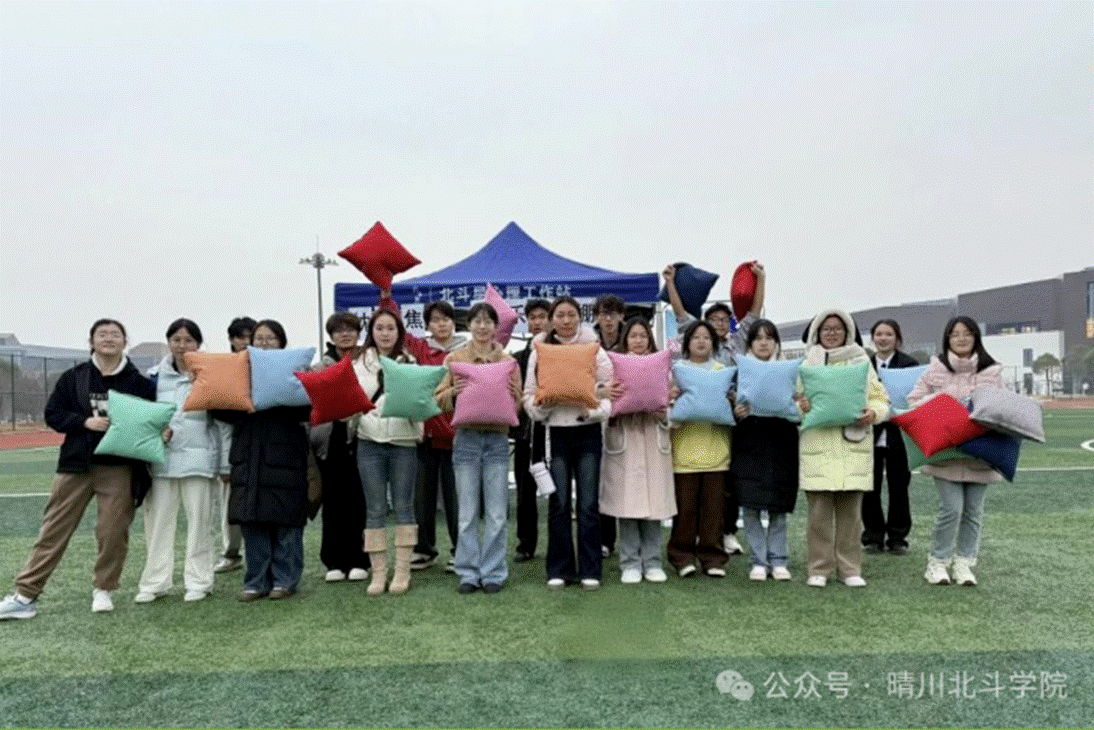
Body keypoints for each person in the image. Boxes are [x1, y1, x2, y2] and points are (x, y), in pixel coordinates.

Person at [1, 319, 155, 619]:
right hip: (75, 465)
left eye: (115, 334)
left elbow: (150, 423)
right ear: (91, 341)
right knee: (53, 529)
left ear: (125, 342)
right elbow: (53, 414)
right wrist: (84, 422)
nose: (109, 339)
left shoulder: (140, 384)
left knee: (113, 532)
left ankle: (104, 589)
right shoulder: (74, 378)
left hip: (118, 467)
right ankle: (25, 596)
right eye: (102, 334)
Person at [662, 262, 767, 558]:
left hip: (730, 415)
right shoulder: (696, 343)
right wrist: (670, 283)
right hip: (693, 422)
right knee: (691, 488)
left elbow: (754, 315)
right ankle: (689, 541)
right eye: (714, 320)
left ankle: (726, 532)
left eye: (724, 320)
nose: (719, 324)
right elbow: (680, 314)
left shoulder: (736, 343)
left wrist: (761, 280)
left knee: (726, 480)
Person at [523, 295, 614, 590]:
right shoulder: (539, 351)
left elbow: (610, 394)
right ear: (552, 320)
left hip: (588, 434)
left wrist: (594, 412)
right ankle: (560, 568)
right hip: (555, 435)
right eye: (559, 315)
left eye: (571, 315)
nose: (565, 320)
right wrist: (543, 409)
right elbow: (528, 396)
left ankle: (590, 568)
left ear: (579, 317)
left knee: (588, 504)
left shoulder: (594, 349)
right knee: (559, 503)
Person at [218, 320, 313, 601]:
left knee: (286, 521)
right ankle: (255, 581)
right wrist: (241, 404)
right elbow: (219, 410)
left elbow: (309, 409)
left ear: (282, 342)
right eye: (258, 338)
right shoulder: (239, 371)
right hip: (248, 454)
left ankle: (285, 580)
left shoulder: (295, 372)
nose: (264, 343)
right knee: (252, 521)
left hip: (286, 453)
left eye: (270, 338)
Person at [906, 316, 1005, 587]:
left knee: (973, 512)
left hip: (980, 453)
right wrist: (940, 401)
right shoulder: (935, 370)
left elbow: (1005, 407)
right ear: (947, 339)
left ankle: (964, 563)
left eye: (967, 333)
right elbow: (913, 401)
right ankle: (937, 563)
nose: (961, 339)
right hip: (945, 452)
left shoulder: (992, 372)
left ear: (976, 337)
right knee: (951, 509)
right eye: (955, 334)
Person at [134, 318, 227, 604]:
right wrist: (156, 433)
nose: (182, 345)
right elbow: (142, 418)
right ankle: (155, 582)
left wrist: (223, 464)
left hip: (200, 462)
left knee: (200, 524)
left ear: (198, 344)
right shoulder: (153, 378)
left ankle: (199, 581)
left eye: (188, 340)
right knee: (158, 525)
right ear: (168, 343)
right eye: (176, 340)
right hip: (161, 462)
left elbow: (222, 424)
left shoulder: (211, 375)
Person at [797, 310, 889, 588]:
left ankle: (850, 569)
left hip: (852, 445)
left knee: (851, 516)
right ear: (817, 332)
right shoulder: (807, 364)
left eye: (838, 328)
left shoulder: (861, 361)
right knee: (819, 516)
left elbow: (880, 398)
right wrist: (801, 406)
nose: (832, 333)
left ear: (848, 331)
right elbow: (793, 400)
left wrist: (873, 413)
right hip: (818, 445)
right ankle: (819, 568)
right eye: (826, 328)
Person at [435, 303, 523, 594]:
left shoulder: (508, 361)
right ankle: (468, 572)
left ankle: (494, 572)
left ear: (496, 326)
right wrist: (454, 392)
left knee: (497, 512)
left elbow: (518, 405)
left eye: (488, 321)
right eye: (477, 321)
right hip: (466, 440)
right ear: (469, 325)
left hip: (497, 440)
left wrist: (512, 397)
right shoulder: (454, 359)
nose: (482, 327)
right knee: (467, 512)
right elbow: (437, 399)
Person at [382, 298, 467, 573]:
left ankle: (461, 551)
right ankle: (423, 549)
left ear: (454, 322)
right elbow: (399, 328)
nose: (441, 325)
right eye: (435, 320)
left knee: (456, 499)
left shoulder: (464, 351)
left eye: (446, 319)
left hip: (457, 436)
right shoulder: (420, 349)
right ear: (427, 325)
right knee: (421, 497)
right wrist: (386, 296)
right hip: (424, 435)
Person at [600, 318, 675, 584]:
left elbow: (672, 405)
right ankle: (630, 562)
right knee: (627, 506)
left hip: (653, 437)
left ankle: (652, 562)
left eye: (643, 335)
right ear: (625, 339)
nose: (639, 340)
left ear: (650, 339)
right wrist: (607, 397)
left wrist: (664, 413)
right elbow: (602, 400)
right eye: (633, 336)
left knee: (654, 507)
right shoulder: (613, 367)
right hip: (625, 439)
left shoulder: (662, 368)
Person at [356, 308, 423, 596]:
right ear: (371, 331)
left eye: (391, 328)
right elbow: (350, 399)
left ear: (399, 332)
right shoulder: (358, 363)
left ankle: (403, 571)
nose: (385, 334)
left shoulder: (411, 363)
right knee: (375, 509)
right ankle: (379, 573)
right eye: (379, 328)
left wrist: (419, 428)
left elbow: (420, 401)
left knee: (404, 506)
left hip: (403, 441)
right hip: (368, 440)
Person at [730, 319, 799, 581]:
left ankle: (779, 560)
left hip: (782, 442)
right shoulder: (739, 371)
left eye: (769, 338)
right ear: (750, 343)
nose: (763, 343)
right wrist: (737, 412)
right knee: (750, 505)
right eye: (757, 338)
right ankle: (758, 560)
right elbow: (726, 405)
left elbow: (801, 402)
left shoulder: (791, 370)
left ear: (776, 343)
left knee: (778, 506)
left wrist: (799, 406)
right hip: (749, 441)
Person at [667, 321, 731, 578]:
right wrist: (673, 398)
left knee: (714, 510)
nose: (701, 341)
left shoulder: (722, 371)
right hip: (684, 451)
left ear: (714, 343)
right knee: (685, 510)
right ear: (687, 343)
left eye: (706, 337)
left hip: (717, 451)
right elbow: (667, 406)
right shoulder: (677, 371)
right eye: (696, 337)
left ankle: (712, 558)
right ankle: (681, 556)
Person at [310, 312, 370, 583]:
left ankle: (359, 559)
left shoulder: (368, 362)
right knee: (333, 501)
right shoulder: (320, 367)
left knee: (358, 501)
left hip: (362, 436)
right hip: (330, 438)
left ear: (358, 333)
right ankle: (333, 561)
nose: (345, 334)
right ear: (331, 336)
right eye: (339, 331)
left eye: (350, 330)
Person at [862, 319, 919, 556]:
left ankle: (897, 538)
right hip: (869, 432)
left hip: (900, 434)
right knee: (869, 487)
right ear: (873, 338)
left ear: (897, 338)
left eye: (888, 334)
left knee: (899, 487)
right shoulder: (863, 364)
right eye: (879, 334)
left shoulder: (909, 364)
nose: (883, 338)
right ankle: (873, 536)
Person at [213, 316, 256, 574]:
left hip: (262, 442)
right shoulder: (222, 368)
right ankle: (231, 552)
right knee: (230, 502)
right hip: (232, 442)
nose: (246, 342)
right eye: (240, 337)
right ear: (231, 340)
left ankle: (259, 552)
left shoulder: (267, 366)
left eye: (251, 336)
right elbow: (217, 413)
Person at [512, 298, 550, 562]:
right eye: (532, 317)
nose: (537, 322)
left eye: (542, 317)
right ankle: (526, 544)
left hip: (556, 431)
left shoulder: (562, 352)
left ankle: (559, 543)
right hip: (526, 433)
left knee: (557, 491)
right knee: (525, 492)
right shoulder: (517, 358)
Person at [592, 293, 626, 558]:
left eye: (613, 314)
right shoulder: (589, 344)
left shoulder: (632, 340)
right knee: (601, 479)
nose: (608, 319)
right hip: (599, 418)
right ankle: (605, 539)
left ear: (621, 316)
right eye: (604, 314)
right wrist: (599, 390)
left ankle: (631, 539)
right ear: (596, 317)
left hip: (628, 418)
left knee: (625, 478)